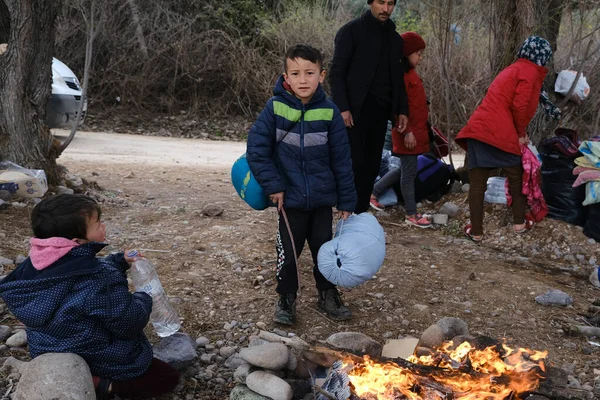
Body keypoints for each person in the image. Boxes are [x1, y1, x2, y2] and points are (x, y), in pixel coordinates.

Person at [0, 194, 179, 400]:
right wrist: (145, 297)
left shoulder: (34, 267)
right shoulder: (97, 279)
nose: (103, 226)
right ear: (77, 241)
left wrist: (119, 261)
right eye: (97, 224)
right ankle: (104, 385)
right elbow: (130, 322)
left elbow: (81, 278)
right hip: (97, 355)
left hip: (48, 347)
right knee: (166, 377)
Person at [246, 44, 357, 325]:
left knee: (325, 250)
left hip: (321, 201)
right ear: (286, 76)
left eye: (310, 72)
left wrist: (346, 201)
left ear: (321, 75)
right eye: (296, 73)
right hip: (290, 201)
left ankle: (328, 293)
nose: (303, 79)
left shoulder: (330, 113)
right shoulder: (275, 108)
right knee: (289, 251)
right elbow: (257, 149)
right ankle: (286, 297)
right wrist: (274, 185)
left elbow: (342, 161)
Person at [455, 35, 560, 242]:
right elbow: (520, 106)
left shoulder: (514, 69)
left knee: (477, 185)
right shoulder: (530, 72)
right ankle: (519, 223)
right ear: (542, 56)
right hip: (499, 131)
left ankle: (476, 232)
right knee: (517, 175)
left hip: (479, 129)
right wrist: (520, 134)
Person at [329, 0, 409, 213]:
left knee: (372, 165)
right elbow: (336, 72)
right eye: (381, 2)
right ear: (370, 3)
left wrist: (401, 110)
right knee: (352, 164)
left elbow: (397, 79)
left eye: (390, 4)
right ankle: (346, 210)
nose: (386, 9)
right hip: (353, 113)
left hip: (381, 113)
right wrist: (343, 108)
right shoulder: (350, 32)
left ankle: (360, 211)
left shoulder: (395, 40)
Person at [369, 32, 432, 228]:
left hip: (416, 132)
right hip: (408, 133)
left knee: (405, 169)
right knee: (408, 173)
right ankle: (411, 214)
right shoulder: (400, 76)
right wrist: (408, 132)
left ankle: (373, 192)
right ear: (406, 53)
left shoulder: (410, 73)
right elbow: (398, 108)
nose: (420, 58)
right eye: (417, 53)